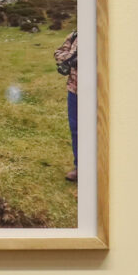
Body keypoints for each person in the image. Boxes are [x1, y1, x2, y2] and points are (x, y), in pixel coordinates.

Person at [53, 32, 79, 182]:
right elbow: (58, 53)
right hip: (74, 90)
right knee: (76, 129)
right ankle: (79, 167)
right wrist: (72, 59)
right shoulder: (75, 35)